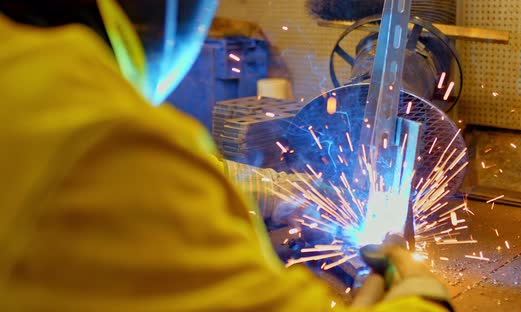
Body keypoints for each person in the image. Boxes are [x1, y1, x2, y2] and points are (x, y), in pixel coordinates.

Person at [0, 0, 452, 310]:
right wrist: (421, 294)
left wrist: (273, 190)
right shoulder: (96, 132)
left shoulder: (23, 69)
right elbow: (129, 171)